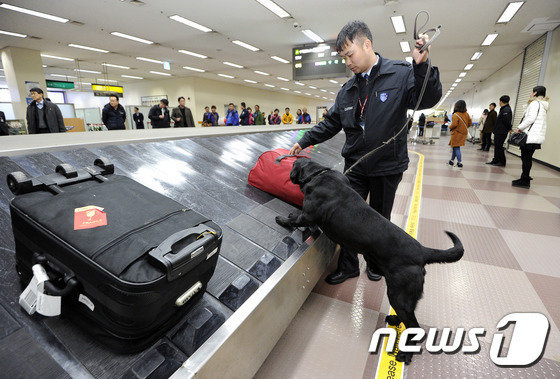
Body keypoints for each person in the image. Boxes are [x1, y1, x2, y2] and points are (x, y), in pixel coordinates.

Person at [288, 20, 441, 284]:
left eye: (350, 54)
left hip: (386, 166)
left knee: (379, 222)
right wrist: (305, 139)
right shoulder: (348, 90)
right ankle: (348, 266)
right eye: (343, 57)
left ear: (367, 44)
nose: (348, 62)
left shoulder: (400, 73)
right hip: (355, 167)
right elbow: (331, 122)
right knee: (346, 222)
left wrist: (422, 65)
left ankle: (376, 264)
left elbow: (427, 99)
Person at [512, 86, 549, 188]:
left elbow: (530, 118)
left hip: (530, 136)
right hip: (536, 136)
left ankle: (525, 180)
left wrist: (519, 127)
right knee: (527, 158)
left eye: (532, 92)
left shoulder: (535, 103)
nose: (530, 93)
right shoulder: (543, 105)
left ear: (535, 92)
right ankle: (525, 178)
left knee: (526, 158)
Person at [487, 95, 512, 166]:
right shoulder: (503, 109)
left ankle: (502, 162)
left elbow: (507, 121)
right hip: (498, 131)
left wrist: (509, 128)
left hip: (502, 131)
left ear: (501, 101)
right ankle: (495, 160)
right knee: (497, 146)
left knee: (499, 147)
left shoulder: (506, 110)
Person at [448, 100, 471, 168]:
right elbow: (470, 123)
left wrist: (449, 127)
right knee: (455, 147)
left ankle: (459, 162)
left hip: (456, 133)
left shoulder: (456, 114)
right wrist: (464, 128)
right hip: (463, 133)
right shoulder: (466, 114)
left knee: (456, 148)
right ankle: (451, 161)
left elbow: (454, 124)